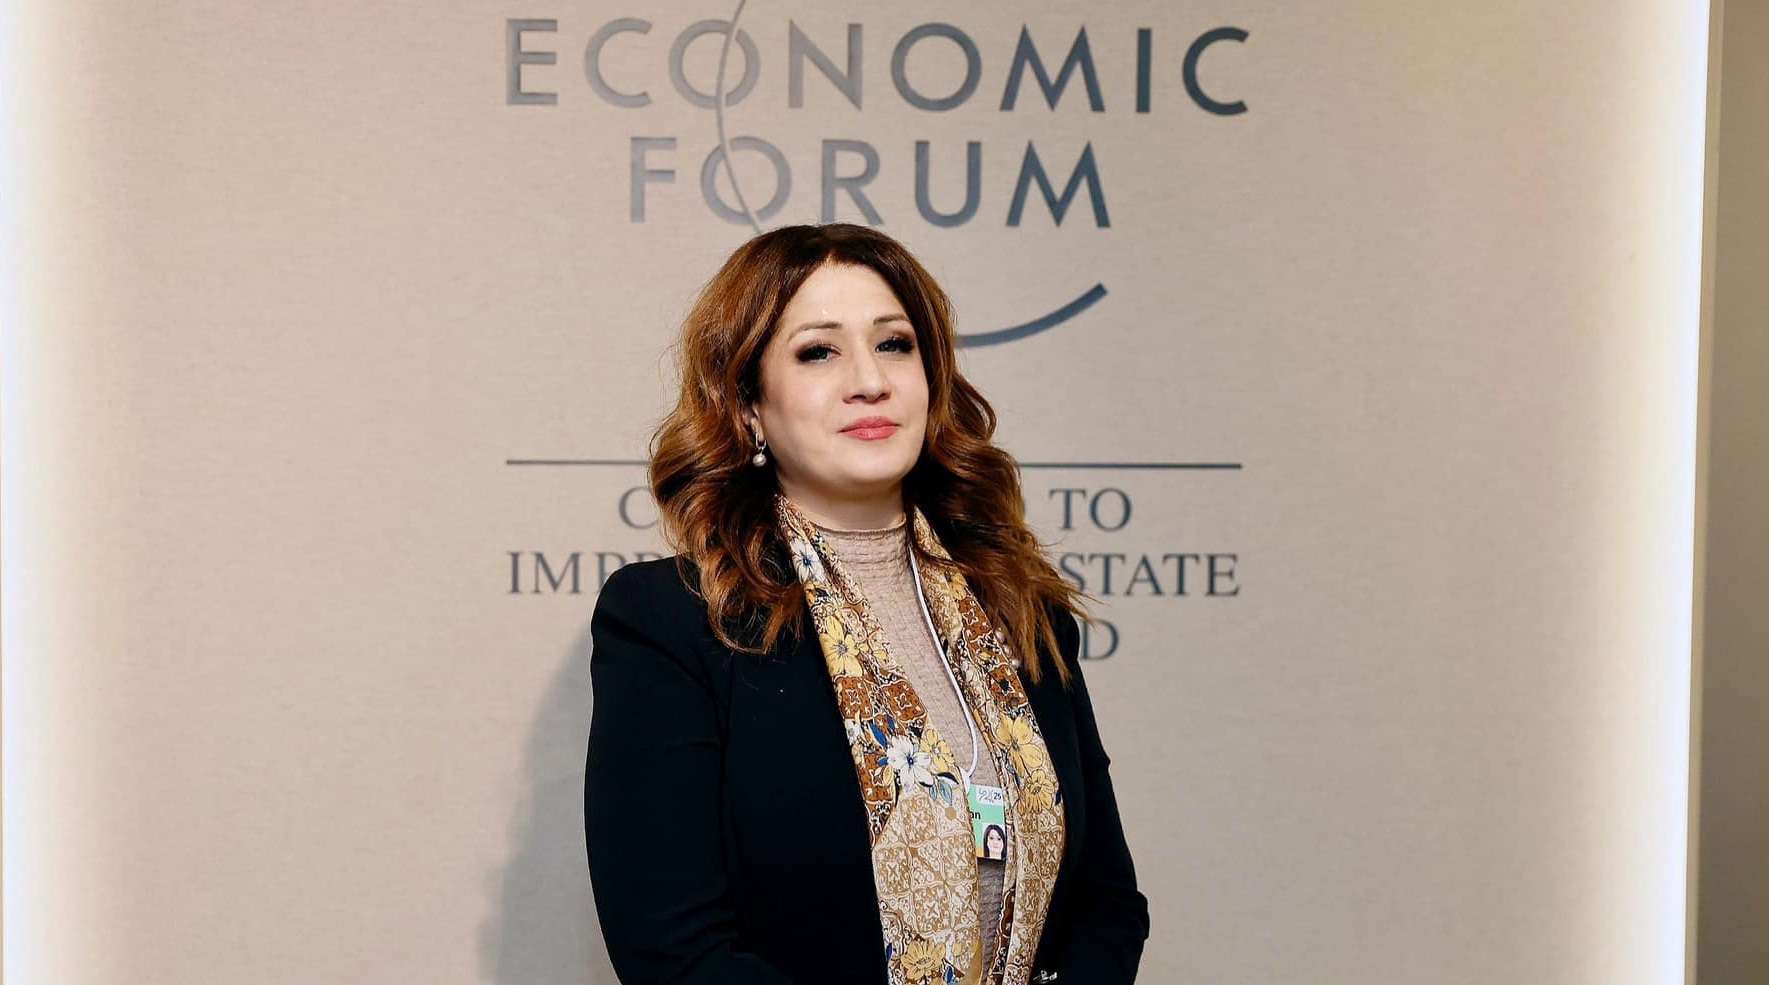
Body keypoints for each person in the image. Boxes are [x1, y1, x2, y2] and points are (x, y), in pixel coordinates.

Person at [583, 222, 1149, 985]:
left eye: (894, 344)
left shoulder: (1021, 607)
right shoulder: (673, 621)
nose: (869, 380)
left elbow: (1108, 903)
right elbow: (672, 949)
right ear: (747, 405)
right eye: (818, 351)